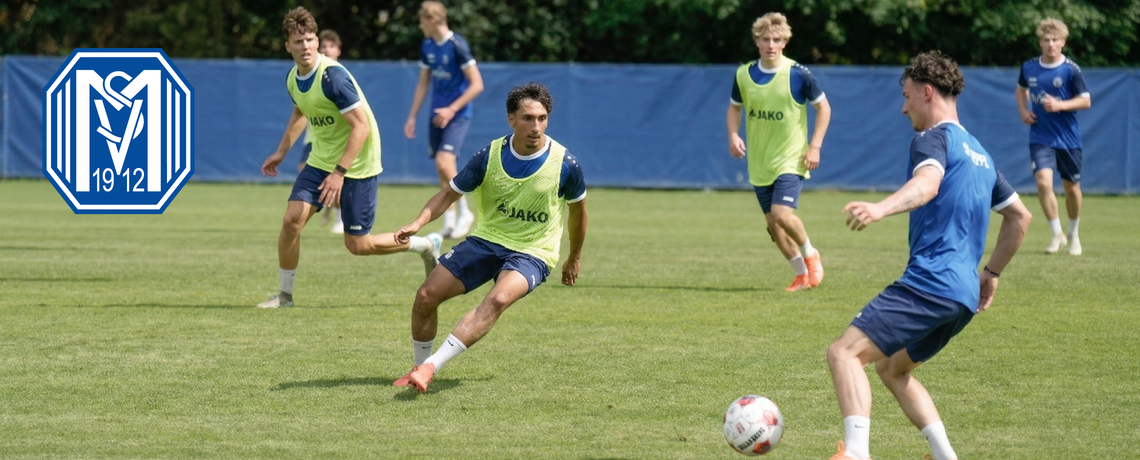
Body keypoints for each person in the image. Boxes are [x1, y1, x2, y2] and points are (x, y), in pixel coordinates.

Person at [826, 51, 1032, 460]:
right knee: (893, 369)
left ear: (926, 92)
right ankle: (945, 456)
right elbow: (1021, 217)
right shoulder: (980, 153)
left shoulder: (932, 138)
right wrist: (991, 273)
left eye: (906, 96)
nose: (903, 108)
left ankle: (856, 454)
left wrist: (881, 208)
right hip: (962, 297)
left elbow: (928, 183)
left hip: (931, 283)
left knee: (843, 353)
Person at [391, 82, 587, 393]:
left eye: (542, 118)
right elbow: (448, 195)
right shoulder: (489, 156)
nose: (535, 126)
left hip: (533, 251)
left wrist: (573, 257)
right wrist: (418, 222)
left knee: (497, 299)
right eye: (527, 118)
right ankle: (418, 367)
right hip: (487, 240)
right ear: (511, 119)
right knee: (425, 297)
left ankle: (431, 367)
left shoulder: (565, 164)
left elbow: (578, 214)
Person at [258, 7, 441, 309]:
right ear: (287, 46)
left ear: (317, 41)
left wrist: (340, 172)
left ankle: (424, 245)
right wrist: (281, 152)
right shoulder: (293, 79)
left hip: (358, 164)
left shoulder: (333, 77)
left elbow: (361, 126)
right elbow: (300, 110)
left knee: (358, 245)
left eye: (309, 39)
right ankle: (285, 296)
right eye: (298, 41)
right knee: (292, 221)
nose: (305, 46)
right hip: (321, 160)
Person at [726, 12, 831, 292]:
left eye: (776, 39)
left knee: (783, 215)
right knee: (774, 226)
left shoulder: (798, 74)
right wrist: (734, 135)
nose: (771, 44)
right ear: (757, 42)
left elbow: (824, 108)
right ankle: (800, 274)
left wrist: (815, 146)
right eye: (765, 39)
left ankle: (811, 254)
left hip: (792, 158)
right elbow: (734, 107)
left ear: (784, 42)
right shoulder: (744, 74)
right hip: (760, 163)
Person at [403, 1, 484, 241]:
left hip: (457, 115)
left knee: (444, 161)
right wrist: (413, 115)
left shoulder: (457, 45)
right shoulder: (427, 45)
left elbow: (477, 84)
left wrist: (451, 109)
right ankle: (448, 221)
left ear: (434, 20)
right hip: (435, 115)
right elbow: (423, 83)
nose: (420, 25)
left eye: (422, 21)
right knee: (441, 169)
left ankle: (465, 212)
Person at [1015, 18, 1091, 255]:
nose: (1050, 44)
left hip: (1068, 139)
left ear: (1063, 42)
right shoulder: (1029, 67)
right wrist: (1023, 111)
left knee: (1072, 188)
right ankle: (1056, 233)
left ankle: (1073, 233)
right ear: (1040, 42)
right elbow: (1020, 89)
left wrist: (1060, 105)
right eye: (1046, 40)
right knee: (1043, 182)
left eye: (1055, 40)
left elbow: (1086, 100)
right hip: (1041, 137)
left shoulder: (1070, 69)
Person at [297, 29, 347, 233]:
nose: (327, 50)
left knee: (334, 178)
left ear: (339, 50)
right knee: (303, 170)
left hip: (333, 140)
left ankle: (340, 216)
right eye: (324, 46)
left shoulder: (339, 76)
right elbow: (300, 112)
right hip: (313, 137)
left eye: (331, 46)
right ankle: (325, 204)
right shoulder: (309, 73)